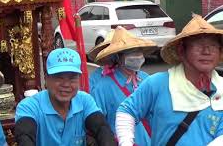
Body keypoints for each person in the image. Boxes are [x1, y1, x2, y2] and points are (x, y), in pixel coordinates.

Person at [116, 15, 223, 146]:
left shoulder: (221, 89)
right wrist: (126, 142)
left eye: (213, 45)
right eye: (198, 45)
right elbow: (127, 111)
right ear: (182, 51)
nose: (206, 51)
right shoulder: (158, 84)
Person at [15, 48, 116, 146]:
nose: (66, 84)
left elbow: (102, 128)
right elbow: (25, 137)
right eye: (59, 77)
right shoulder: (29, 107)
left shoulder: (85, 100)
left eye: (72, 78)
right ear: (46, 79)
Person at [89, 26, 156, 145]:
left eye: (138, 51)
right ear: (118, 57)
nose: (136, 56)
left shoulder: (147, 79)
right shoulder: (102, 88)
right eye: (130, 52)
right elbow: (97, 125)